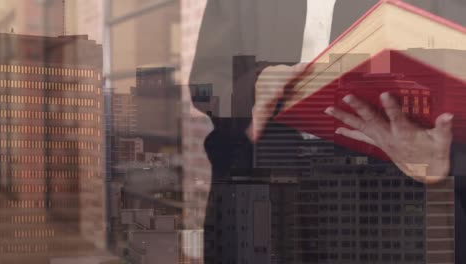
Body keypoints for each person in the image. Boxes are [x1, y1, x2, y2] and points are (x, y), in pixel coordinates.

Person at [188, 0, 466, 262]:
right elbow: (206, 84)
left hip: (393, 211)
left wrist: (445, 157)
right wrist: (255, 86)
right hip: (261, 200)